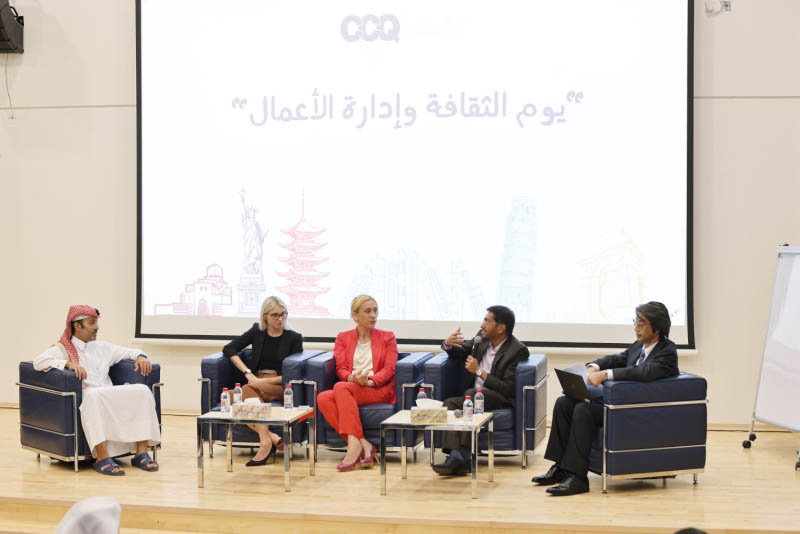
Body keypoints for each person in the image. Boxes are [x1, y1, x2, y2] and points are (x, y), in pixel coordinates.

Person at [532, 301, 679, 496]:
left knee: (582, 410)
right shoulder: (639, 346)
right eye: (636, 321)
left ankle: (578, 478)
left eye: (641, 323)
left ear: (657, 326)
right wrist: (595, 366)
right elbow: (617, 358)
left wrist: (605, 375)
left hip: (635, 412)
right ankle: (561, 468)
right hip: (616, 404)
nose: (636, 327)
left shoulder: (667, 351)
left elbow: (643, 372)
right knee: (564, 403)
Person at [33, 305, 161, 476]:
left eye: (96, 323)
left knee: (143, 390)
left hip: (107, 394)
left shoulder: (102, 347)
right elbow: (39, 362)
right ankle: (102, 457)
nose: (97, 327)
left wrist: (140, 357)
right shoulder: (62, 349)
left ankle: (141, 453)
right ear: (77, 326)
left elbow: (131, 351)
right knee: (93, 396)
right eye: (92, 323)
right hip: (88, 396)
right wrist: (68, 364)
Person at [432, 305, 529, 476]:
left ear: (500, 328)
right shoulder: (481, 339)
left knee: (473, 395)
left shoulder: (517, 350)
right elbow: (461, 351)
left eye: (487, 321)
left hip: (499, 397)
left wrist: (480, 372)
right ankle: (457, 457)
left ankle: (458, 459)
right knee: (449, 404)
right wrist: (447, 344)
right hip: (473, 395)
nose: (482, 326)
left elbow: (507, 388)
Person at [317, 295, 397, 471]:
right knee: (323, 398)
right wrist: (352, 378)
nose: (373, 315)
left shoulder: (387, 337)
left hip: (377, 389)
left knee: (340, 387)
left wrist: (369, 381)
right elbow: (341, 368)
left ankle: (353, 448)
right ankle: (362, 443)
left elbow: (389, 368)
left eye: (375, 311)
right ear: (355, 315)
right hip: (351, 387)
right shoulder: (343, 338)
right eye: (367, 311)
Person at [222, 295, 303, 466]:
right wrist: (248, 373)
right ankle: (270, 437)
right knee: (230, 397)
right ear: (265, 316)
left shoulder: (294, 338)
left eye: (283, 314)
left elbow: (293, 374)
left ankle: (265, 443)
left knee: (243, 393)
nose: (280, 319)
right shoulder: (257, 332)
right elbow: (229, 348)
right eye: (275, 315)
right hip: (256, 381)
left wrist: (263, 383)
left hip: (280, 385)